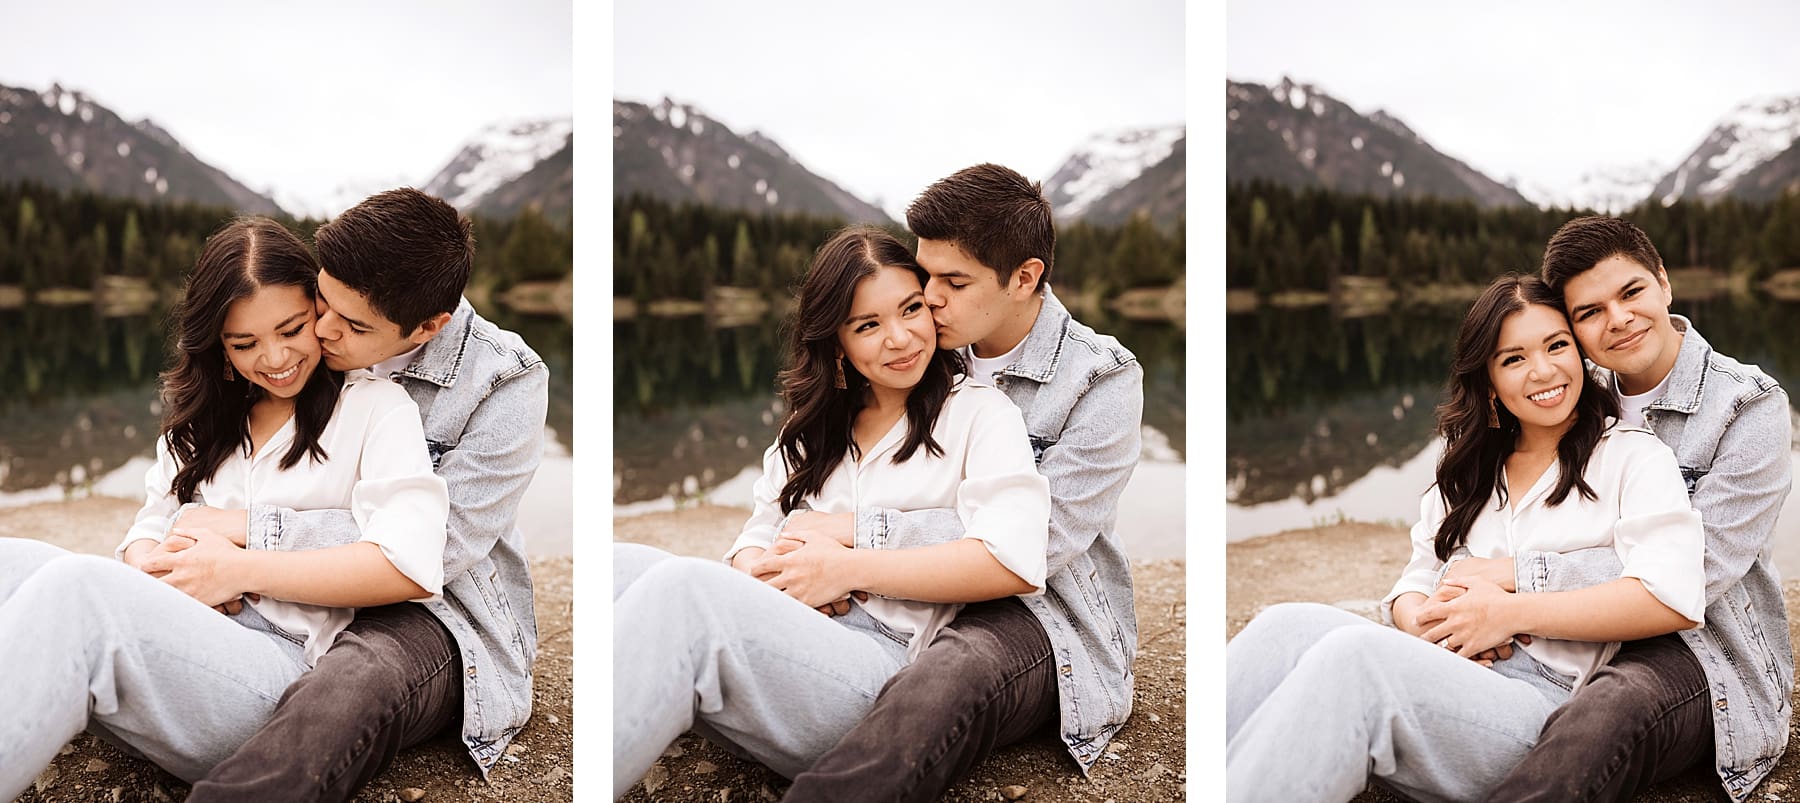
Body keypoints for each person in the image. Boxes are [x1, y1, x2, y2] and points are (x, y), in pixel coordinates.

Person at [0, 217, 449, 799]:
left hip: (273, 674)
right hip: (177, 637)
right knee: (11, 563)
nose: (275, 357)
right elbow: (150, 522)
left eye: (292, 329)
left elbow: (407, 564)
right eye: (245, 344)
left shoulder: (376, 409)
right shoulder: (203, 419)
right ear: (217, 343)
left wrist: (235, 569)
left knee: (79, 590)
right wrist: (153, 569)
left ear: (320, 310)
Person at [1225, 273, 1707, 802]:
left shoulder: (1632, 457)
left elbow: (1671, 595)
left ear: (1579, 353)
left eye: (1556, 345)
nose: (1543, 370)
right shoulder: (1471, 466)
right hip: (1446, 667)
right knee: (1283, 624)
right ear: (1488, 382)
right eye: (1513, 358)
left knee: (1356, 657)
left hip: (1537, 703)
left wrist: (1507, 614)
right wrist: (1429, 625)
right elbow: (1416, 578)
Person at [612, 225, 1052, 798]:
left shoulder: (979, 413)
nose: (899, 338)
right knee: (616, 565)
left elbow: (1011, 559)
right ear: (837, 342)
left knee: (684, 590)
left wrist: (844, 569)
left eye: (911, 309)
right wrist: (761, 575)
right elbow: (758, 530)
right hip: (791, 633)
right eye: (868, 325)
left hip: (876, 671)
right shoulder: (813, 428)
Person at [782, 163, 1144, 802]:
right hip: (900, 601)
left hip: (1035, 614)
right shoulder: (921, 346)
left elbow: (1039, 543)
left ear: (1025, 278)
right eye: (926, 275)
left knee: (953, 671)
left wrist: (854, 542)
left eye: (954, 281)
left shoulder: (1100, 381)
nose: (930, 299)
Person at [179, 189, 550, 801]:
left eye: (350, 326)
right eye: (322, 303)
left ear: (430, 326)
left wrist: (252, 531)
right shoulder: (308, 344)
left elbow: (437, 548)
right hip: (297, 596)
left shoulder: (505, 380)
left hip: (434, 613)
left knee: (354, 681)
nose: (321, 331)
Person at [1481, 217, 1794, 803]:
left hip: (1698, 653)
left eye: (1631, 293)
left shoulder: (1749, 407)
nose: (1618, 319)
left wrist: (1521, 578)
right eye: (1590, 312)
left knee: (1612, 706)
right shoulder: (1571, 388)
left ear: (1664, 283)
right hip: (1568, 638)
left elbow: (1696, 572)